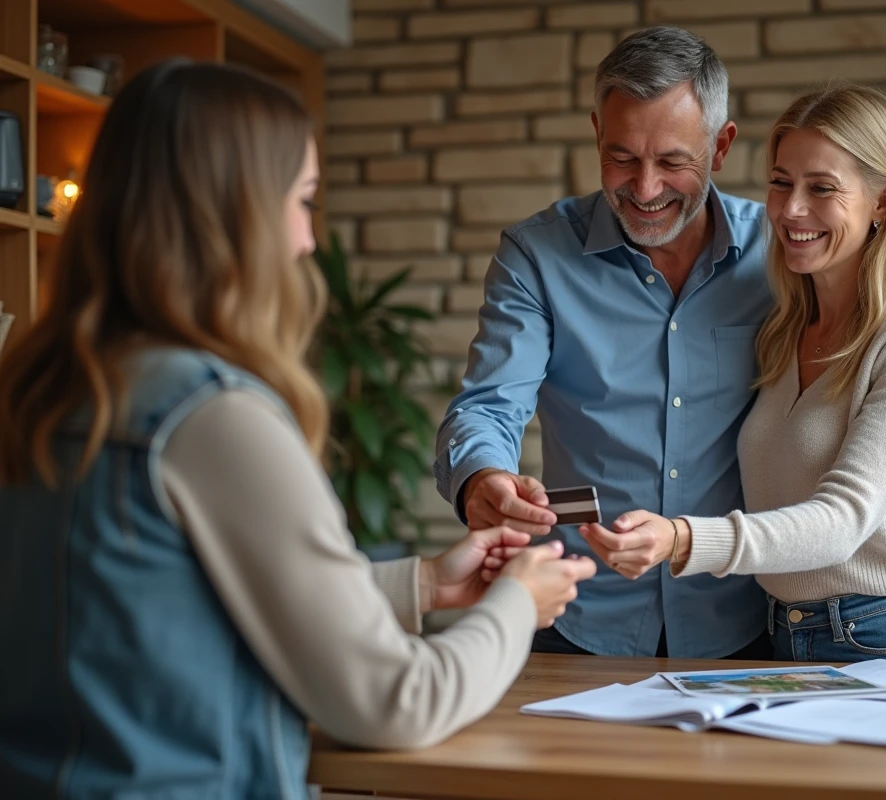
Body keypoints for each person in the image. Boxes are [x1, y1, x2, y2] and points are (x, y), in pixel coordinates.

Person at [0, 61, 594, 798]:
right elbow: (397, 701)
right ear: (233, 214)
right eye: (304, 200)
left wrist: (421, 586)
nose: (310, 240)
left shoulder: (42, 390)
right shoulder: (213, 418)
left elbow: (167, 609)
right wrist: (518, 603)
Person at [436, 26, 886, 662]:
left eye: (674, 161)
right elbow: (486, 407)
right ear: (596, 134)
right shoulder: (537, 257)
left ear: (721, 146)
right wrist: (482, 476)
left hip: (746, 631)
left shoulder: (784, 255)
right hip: (580, 615)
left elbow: (882, 452)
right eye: (622, 157)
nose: (645, 189)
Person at [577, 83, 886, 666]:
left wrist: (681, 539)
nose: (791, 210)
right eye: (780, 183)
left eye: (822, 188)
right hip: (781, 638)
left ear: (883, 199)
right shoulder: (783, 328)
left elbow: (850, 515)